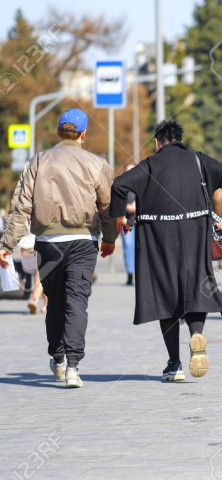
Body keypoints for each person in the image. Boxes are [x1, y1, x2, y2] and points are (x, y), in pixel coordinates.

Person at [110, 120, 222, 382]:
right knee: (196, 285)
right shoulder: (198, 161)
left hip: (158, 239)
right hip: (196, 234)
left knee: (165, 295)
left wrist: (120, 218)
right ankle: (196, 334)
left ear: (157, 142)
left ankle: (174, 364)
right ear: (180, 138)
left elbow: (119, 186)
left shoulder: (149, 164)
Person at [0, 108, 117, 388]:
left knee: (54, 301)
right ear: (83, 134)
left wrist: (6, 244)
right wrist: (110, 238)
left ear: (57, 132)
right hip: (83, 241)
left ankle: (60, 359)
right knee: (77, 300)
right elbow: (108, 206)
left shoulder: (38, 161)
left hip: (48, 243)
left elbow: (21, 206)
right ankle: (74, 366)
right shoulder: (97, 163)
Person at [122, 164, 136, 286]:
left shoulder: (142, 185)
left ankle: (140, 274)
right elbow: (116, 202)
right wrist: (127, 206)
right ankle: (130, 274)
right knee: (128, 246)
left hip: (140, 221)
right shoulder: (122, 186)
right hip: (127, 222)